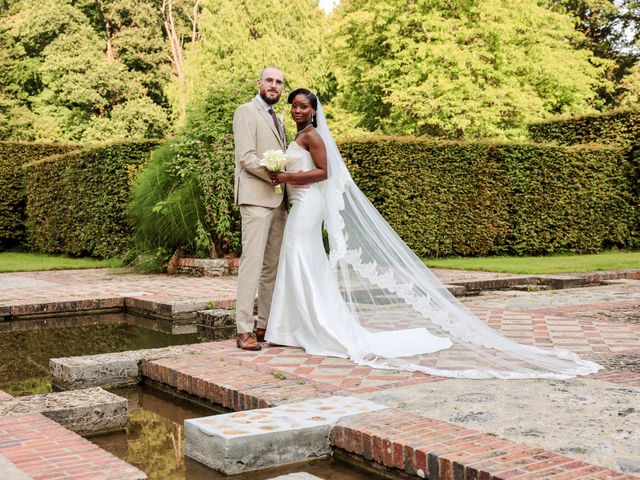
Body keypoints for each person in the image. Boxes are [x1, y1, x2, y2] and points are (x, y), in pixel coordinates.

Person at [265, 88, 601, 379]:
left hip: (308, 204)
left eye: (303, 106)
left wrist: (286, 179)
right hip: (298, 203)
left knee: (299, 255)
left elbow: (326, 173)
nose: (297, 110)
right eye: (293, 105)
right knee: (300, 259)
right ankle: (295, 325)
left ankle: (313, 326)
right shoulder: (295, 136)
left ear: (313, 110)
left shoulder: (312, 136)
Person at [232, 67, 288, 351]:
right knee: (251, 265)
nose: (274, 85)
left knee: (272, 267)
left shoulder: (279, 119)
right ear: (259, 83)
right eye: (269, 80)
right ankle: (244, 330)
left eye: (279, 82)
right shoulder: (246, 112)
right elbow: (247, 158)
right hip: (256, 199)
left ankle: (265, 325)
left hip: (279, 201)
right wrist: (275, 175)